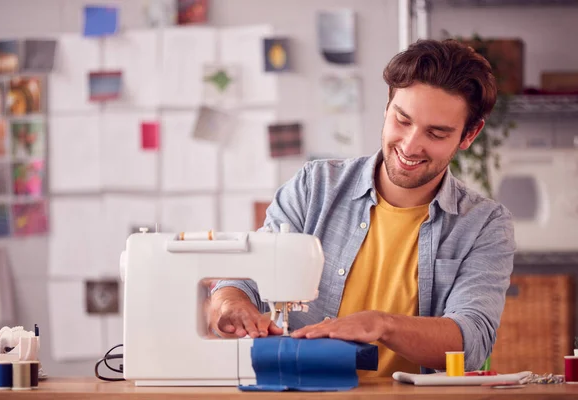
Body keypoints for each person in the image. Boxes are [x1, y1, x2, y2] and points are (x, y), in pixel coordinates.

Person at [208, 39, 515, 381]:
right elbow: (244, 278)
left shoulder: (484, 224)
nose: (411, 145)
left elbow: (472, 341)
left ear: (469, 134)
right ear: (387, 109)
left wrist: (382, 324)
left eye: (437, 133)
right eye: (402, 120)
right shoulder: (315, 187)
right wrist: (231, 304)